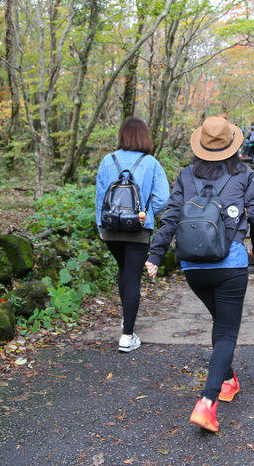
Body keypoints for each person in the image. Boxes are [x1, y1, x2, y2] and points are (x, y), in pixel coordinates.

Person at [145, 116, 254, 432]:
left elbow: (171, 216)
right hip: (230, 266)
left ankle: (227, 379)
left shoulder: (186, 175)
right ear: (232, 145)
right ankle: (207, 402)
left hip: (193, 267)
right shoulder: (243, 174)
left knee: (221, 323)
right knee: (226, 332)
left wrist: (156, 254)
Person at [95, 117, 170, 353]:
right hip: (138, 228)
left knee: (124, 271)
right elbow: (163, 197)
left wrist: (100, 226)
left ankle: (127, 318)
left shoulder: (108, 161)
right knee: (132, 277)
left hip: (111, 229)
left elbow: (99, 198)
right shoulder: (151, 163)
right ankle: (127, 335)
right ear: (145, 136)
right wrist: (146, 214)